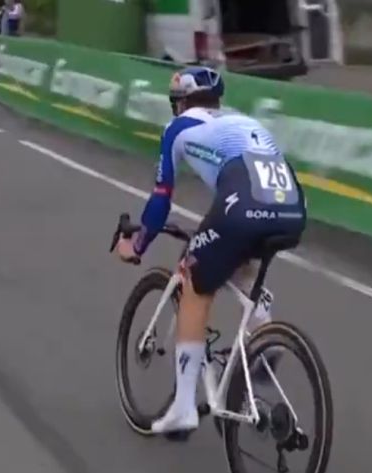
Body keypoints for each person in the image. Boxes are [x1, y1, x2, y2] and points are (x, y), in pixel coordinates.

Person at [113, 66, 307, 434]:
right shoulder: (241, 120)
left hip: (244, 206)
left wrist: (137, 244)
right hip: (292, 210)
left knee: (194, 279)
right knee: (240, 264)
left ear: (180, 102)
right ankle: (265, 334)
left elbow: (161, 200)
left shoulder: (178, 127)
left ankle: (183, 407)